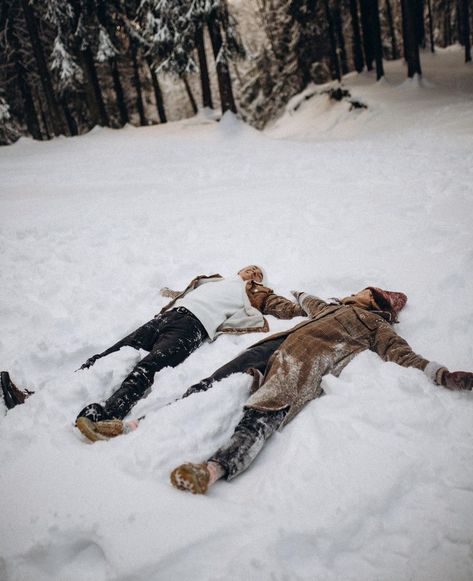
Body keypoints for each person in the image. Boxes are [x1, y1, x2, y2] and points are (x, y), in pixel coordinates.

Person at [75, 266, 305, 439]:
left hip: (194, 326)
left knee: (149, 367)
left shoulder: (257, 293)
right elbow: (187, 292)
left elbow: (281, 307)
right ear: (240, 269)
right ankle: (67, 386)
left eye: (259, 273)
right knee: (114, 352)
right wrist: (169, 294)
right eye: (251, 268)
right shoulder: (216, 281)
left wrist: (304, 306)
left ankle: (108, 413)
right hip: (167, 317)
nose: (254, 272)